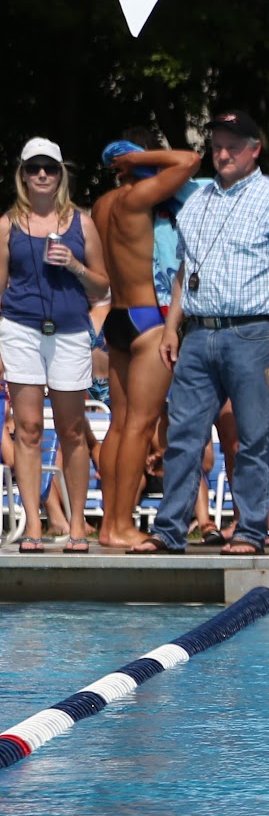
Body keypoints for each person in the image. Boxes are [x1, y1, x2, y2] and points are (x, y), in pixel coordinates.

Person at [133, 111, 269, 556]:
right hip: (198, 333)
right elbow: (183, 271)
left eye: (232, 146)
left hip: (253, 332)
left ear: (255, 150)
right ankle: (169, 530)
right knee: (182, 436)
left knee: (253, 437)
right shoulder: (197, 201)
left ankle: (251, 531)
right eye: (217, 147)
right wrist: (171, 327)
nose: (223, 154)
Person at [91, 138, 201, 547]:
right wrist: (140, 159)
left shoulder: (102, 205)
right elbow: (189, 161)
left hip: (118, 318)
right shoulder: (136, 198)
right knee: (141, 427)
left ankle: (109, 524)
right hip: (148, 319)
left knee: (119, 426)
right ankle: (122, 524)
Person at [2, 137, 107, 553]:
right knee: (28, 429)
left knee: (73, 430)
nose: (42, 174)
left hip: (69, 332)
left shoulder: (82, 223)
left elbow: (102, 286)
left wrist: (76, 266)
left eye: (49, 167)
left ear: (61, 174)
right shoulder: (7, 224)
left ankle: (77, 523)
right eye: (34, 168)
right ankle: (33, 524)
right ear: (23, 175)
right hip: (21, 330)